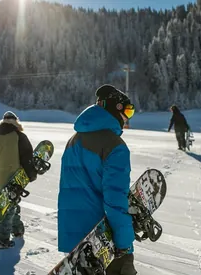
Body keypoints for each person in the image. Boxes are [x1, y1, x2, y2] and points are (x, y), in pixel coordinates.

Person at [57, 84, 137, 274]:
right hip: (104, 242)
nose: (127, 117)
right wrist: (124, 243)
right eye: (127, 110)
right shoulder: (115, 145)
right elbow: (115, 199)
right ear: (114, 109)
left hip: (76, 240)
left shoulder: (73, 140)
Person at [0, 111, 39, 249]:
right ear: (16, 122)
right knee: (9, 209)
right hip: (14, 179)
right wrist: (32, 174)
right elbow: (27, 159)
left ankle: (17, 230)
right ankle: (1, 239)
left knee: (11, 204)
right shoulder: (19, 137)